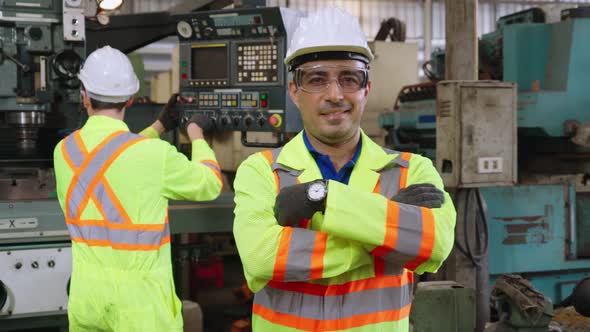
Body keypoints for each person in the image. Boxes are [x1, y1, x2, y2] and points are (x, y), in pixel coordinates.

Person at [233, 7, 456, 331]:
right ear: (294, 91)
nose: (335, 95)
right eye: (317, 79)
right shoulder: (262, 171)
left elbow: (435, 245)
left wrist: (323, 197)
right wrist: (388, 234)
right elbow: (263, 257)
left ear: (366, 88)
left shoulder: (412, 169)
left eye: (349, 79)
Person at [53, 45, 222, 331]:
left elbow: (109, 157)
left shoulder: (64, 151)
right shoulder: (153, 155)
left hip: (87, 296)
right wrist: (196, 134)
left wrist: (158, 126)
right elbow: (209, 184)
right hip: (139, 304)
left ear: (84, 97)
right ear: (131, 99)